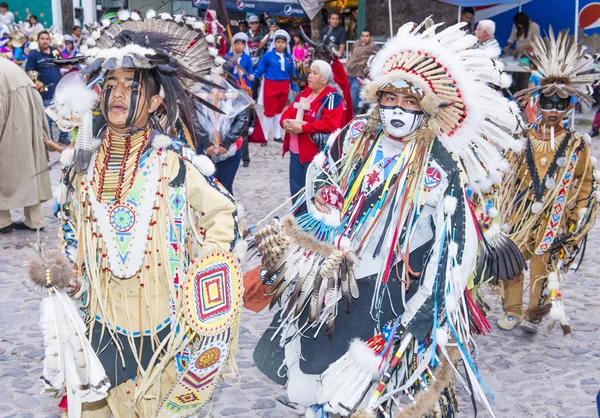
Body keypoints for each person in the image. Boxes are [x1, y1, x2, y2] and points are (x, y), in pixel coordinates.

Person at [253, 18, 522, 418]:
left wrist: (425, 312)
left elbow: (456, 247)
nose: (398, 110)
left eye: (410, 103)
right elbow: (321, 169)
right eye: (390, 99)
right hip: (332, 274)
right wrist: (323, 194)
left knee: (367, 387)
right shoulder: (356, 133)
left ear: (427, 109)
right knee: (310, 365)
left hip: (393, 290)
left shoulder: (440, 165)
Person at [37, 11, 243, 418]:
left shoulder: (175, 162)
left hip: (164, 322)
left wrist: (207, 263)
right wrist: (67, 272)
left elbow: (223, 212)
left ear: (154, 100)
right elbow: (70, 229)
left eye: (131, 86)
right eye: (109, 85)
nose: (116, 94)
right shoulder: (80, 166)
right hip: (100, 319)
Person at [499, 29, 598, 334]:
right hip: (518, 212)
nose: (553, 109)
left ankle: (533, 313)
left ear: (569, 107)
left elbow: (584, 181)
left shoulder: (576, 144)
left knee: (543, 264)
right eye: (548, 102)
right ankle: (511, 310)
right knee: (512, 261)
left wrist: (579, 211)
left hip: (552, 217)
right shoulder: (523, 137)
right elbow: (506, 172)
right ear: (537, 103)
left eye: (561, 104)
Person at [0, 58, 52, 234]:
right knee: (31, 170)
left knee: (4, 171)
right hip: (29, 123)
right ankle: (35, 220)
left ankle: (3, 221)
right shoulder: (10, 66)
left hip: (11, 125)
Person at [280, 60, 344, 201]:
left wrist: (303, 128)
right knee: (297, 194)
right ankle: (297, 221)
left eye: (315, 73)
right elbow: (289, 111)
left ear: (325, 79)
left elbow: (330, 125)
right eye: (310, 72)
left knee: (313, 196)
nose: (309, 76)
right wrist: (284, 122)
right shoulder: (306, 93)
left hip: (314, 155)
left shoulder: (332, 98)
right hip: (295, 152)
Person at [194, 66, 252, 194]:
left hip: (230, 147)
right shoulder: (198, 94)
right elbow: (194, 118)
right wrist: (206, 142)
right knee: (204, 187)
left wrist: (227, 142)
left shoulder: (235, 95)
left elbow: (242, 119)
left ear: (225, 76)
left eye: (218, 74)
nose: (214, 78)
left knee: (225, 187)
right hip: (204, 146)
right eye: (210, 74)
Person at [250, 29, 296, 144]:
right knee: (269, 111)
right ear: (274, 43)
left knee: (279, 111)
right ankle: (264, 136)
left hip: (284, 85)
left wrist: (294, 88)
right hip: (271, 85)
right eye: (278, 41)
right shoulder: (268, 56)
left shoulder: (289, 58)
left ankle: (277, 135)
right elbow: (260, 68)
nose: (280, 44)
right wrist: (254, 75)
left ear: (286, 44)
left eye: (283, 42)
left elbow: (292, 74)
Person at [25, 30, 68, 145]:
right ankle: (50, 140)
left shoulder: (55, 51)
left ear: (50, 40)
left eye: (47, 39)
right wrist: (37, 83)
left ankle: (63, 137)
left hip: (59, 87)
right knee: (48, 115)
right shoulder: (34, 54)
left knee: (63, 112)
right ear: (38, 40)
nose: (45, 41)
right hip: (45, 90)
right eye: (42, 38)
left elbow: (62, 63)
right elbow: (29, 71)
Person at [346, 28, 378, 113]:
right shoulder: (356, 43)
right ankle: (347, 114)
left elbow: (374, 59)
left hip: (360, 73)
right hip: (350, 71)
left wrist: (365, 61)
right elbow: (351, 53)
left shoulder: (372, 46)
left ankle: (353, 114)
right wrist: (349, 61)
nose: (364, 38)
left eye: (367, 36)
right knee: (346, 94)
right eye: (363, 36)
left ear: (370, 37)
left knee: (353, 95)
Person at [247, 14, 265, 100]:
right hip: (248, 62)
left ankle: (253, 99)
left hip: (258, 62)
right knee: (248, 81)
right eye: (252, 23)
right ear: (249, 24)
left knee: (255, 81)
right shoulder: (246, 35)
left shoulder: (261, 34)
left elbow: (263, 46)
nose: (254, 25)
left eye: (256, 23)